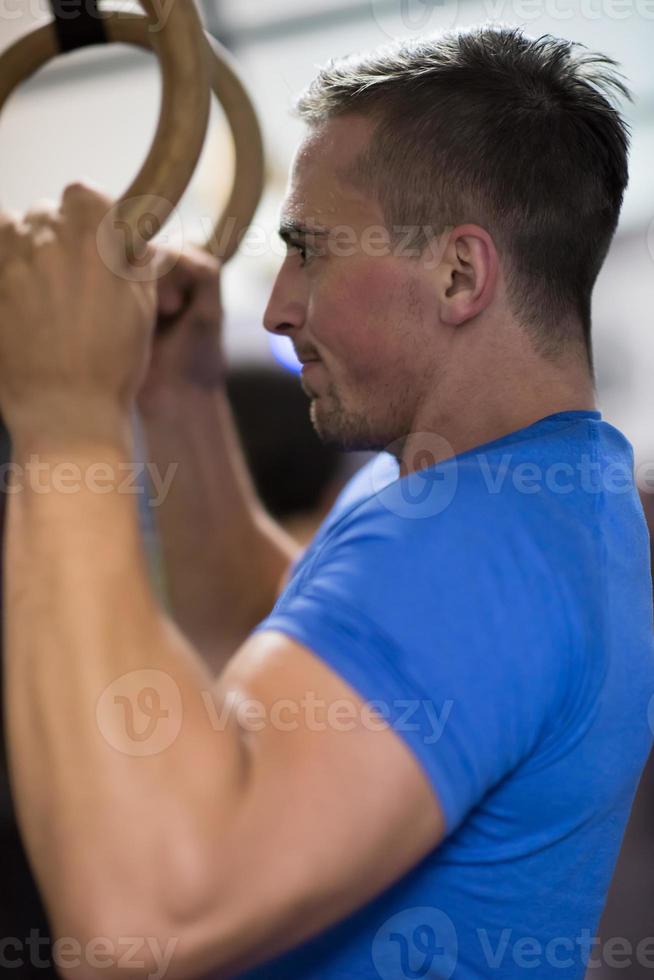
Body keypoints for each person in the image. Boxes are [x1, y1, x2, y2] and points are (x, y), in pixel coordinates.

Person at [0, 24, 652, 980]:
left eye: (310, 250)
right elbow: (275, 650)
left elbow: (144, 916)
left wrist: (63, 411)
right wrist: (172, 399)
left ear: (459, 274)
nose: (276, 307)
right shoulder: (501, 493)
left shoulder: (477, 546)